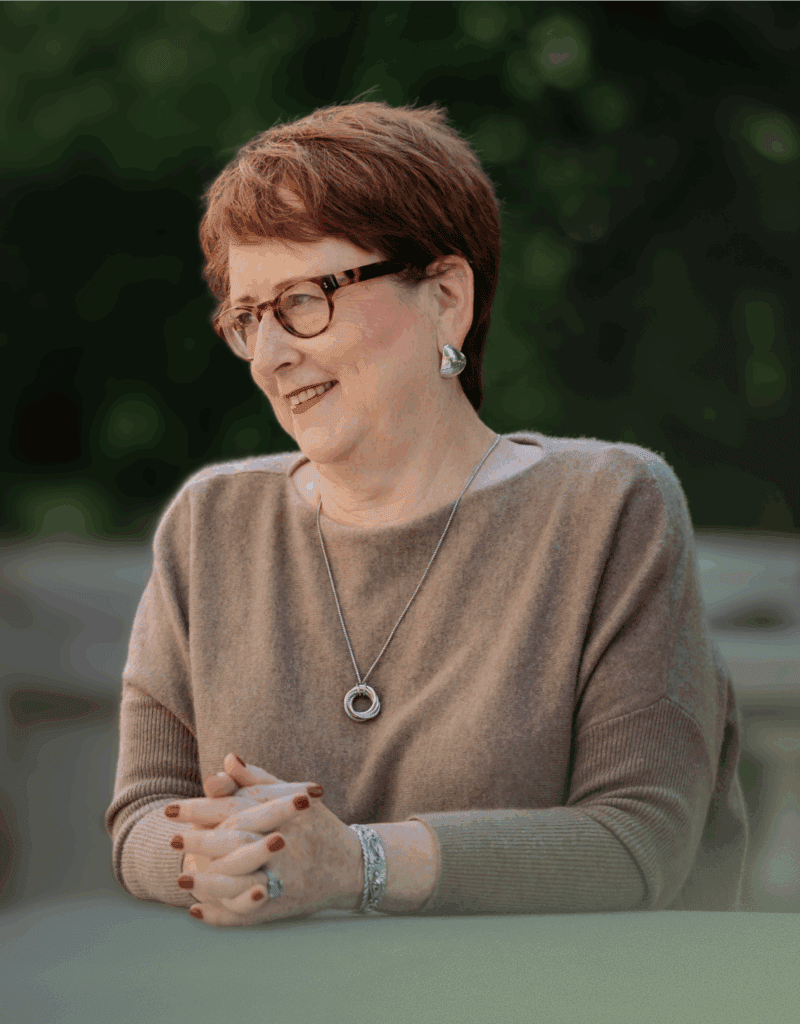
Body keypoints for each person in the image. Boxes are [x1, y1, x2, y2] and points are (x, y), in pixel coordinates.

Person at [105, 96, 749, 927]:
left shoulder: (610, 506)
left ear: (446, 296)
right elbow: (140, 816)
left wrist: (360, 863)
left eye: (304, 300)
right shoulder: (210, 522)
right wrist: (208, 857)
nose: (269, 355)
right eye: (246, 317)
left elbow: (641, 841)